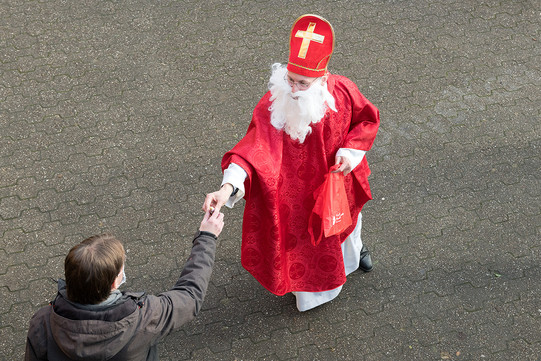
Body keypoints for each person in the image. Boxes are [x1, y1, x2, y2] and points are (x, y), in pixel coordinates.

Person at [203, 14, 380, 311]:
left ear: (322, 80)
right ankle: (309, 294)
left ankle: (355, 253)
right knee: (304, 251)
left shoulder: (344, 91)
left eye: (303, 83)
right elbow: (252, 150)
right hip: (294, 200)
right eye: (291, 80)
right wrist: (227, 187)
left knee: (346, 228)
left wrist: (349, 153)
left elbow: (367, 121)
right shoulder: (276, 103)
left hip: (338, 185)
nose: (294, 89)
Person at [25, 209, 224, 360]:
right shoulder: (146, 317)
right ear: (113, 282)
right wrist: (207, 237)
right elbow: (189, 296)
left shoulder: (43, 322)